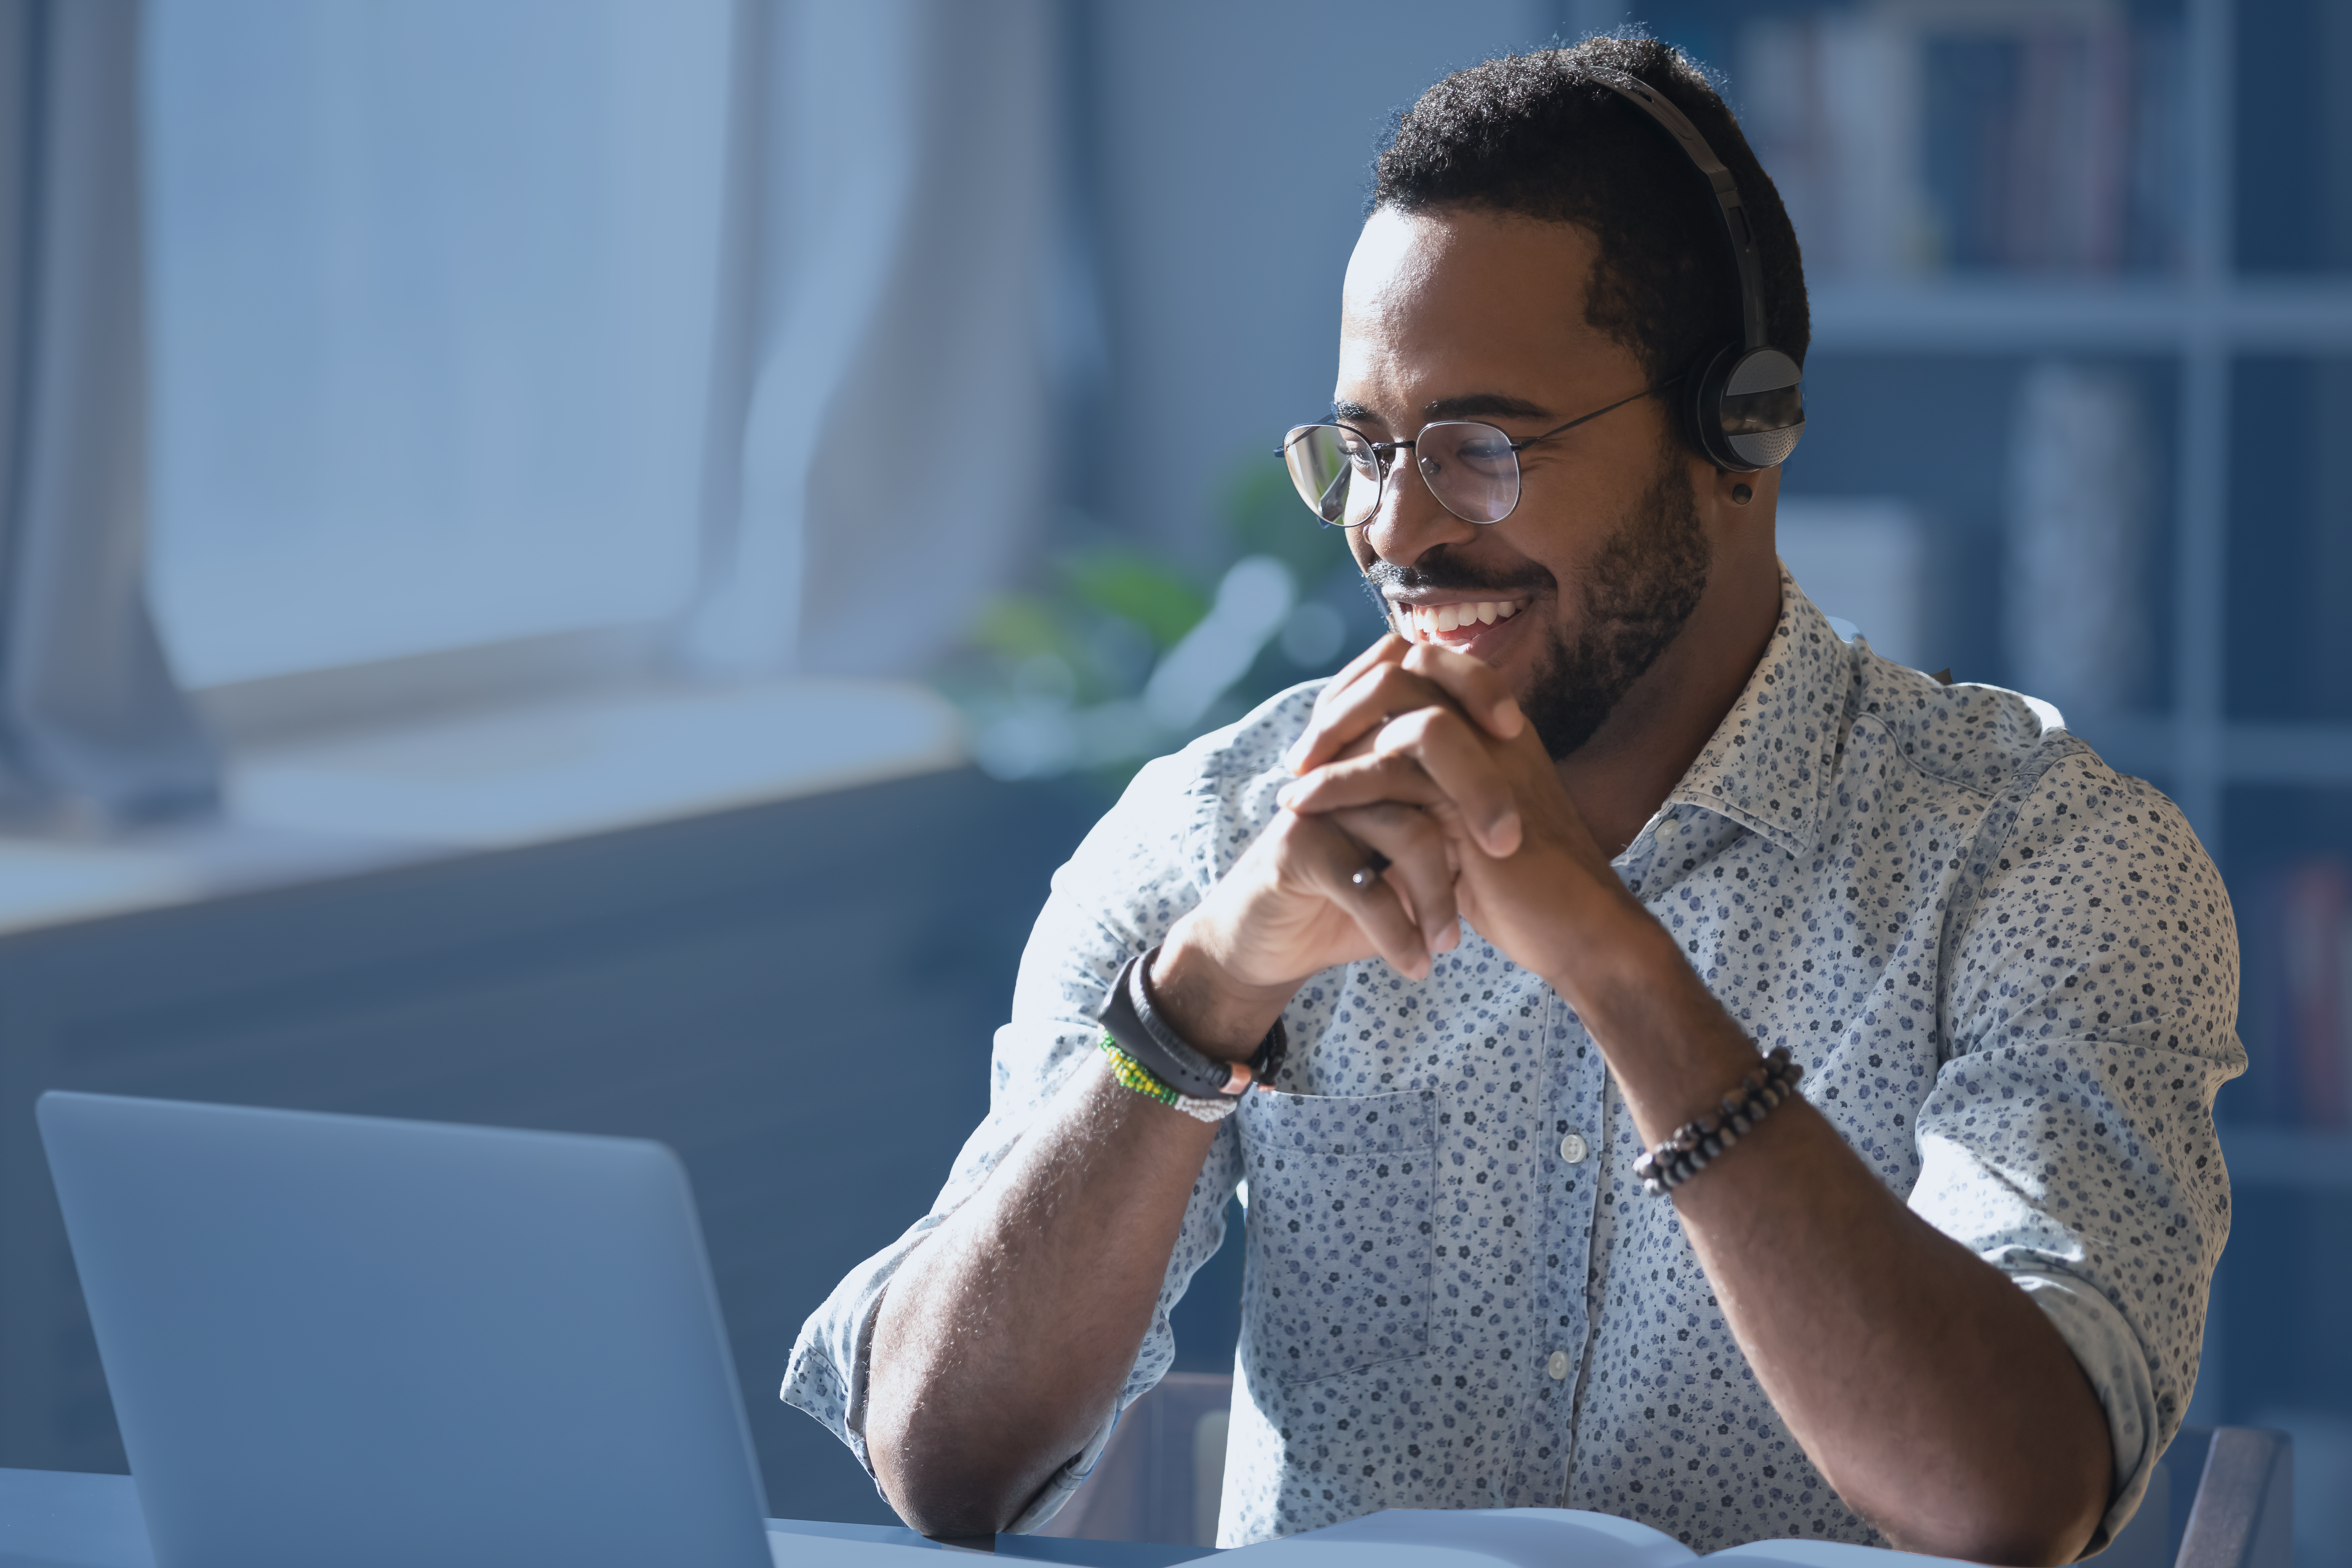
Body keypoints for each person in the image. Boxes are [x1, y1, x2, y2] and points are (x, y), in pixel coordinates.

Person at [783, 37, 2241, 1565]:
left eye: (1482, 449)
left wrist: (1617, 964)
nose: (1395, 531)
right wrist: (1201, 1000)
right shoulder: (1222, 831)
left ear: (1742, 431)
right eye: (1363, 451)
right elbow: (943, 1466)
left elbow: (2012, 1496)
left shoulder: (2053, 863)